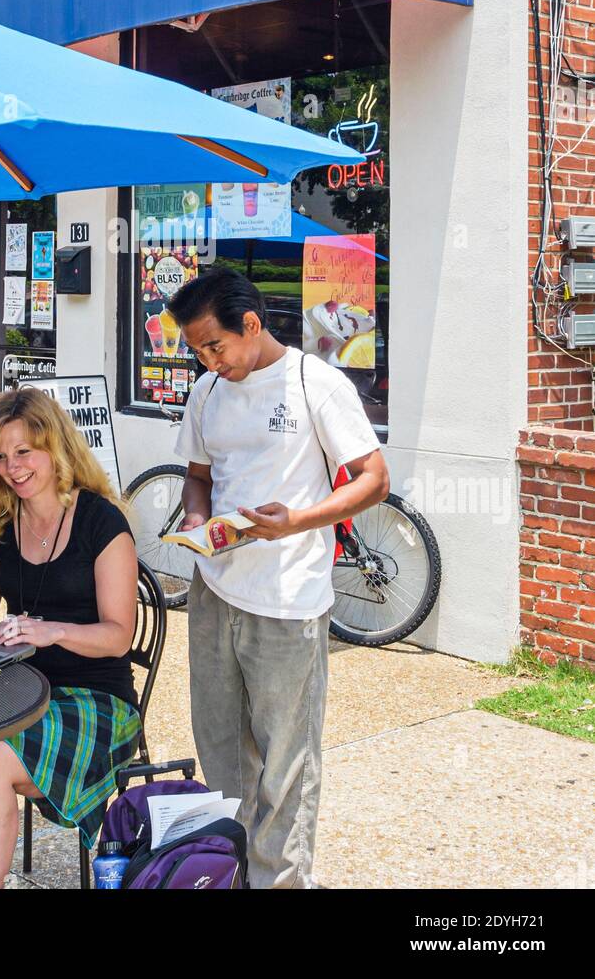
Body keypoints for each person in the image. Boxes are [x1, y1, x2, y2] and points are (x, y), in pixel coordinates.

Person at [168, 267, 390, 889]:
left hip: (289, 598)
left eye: (216, 346)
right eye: (197, 351)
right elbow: (199, 474)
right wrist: (198, 522)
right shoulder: (208, 392)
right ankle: (227, 870)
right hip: (216, 590)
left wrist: (296, 522)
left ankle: (280, 882)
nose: (210, 362)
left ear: (253, 325)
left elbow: (374, 479)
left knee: (286, 761)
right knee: (220, 749)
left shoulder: (313, 383)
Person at [0, 388, 141, 889]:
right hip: (19, 693)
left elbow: (119, 637)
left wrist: (50, 629)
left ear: (54, 448)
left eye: (23, 452)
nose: (11, 467)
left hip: (96, 702)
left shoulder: (103, 523)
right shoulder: (1, 522)